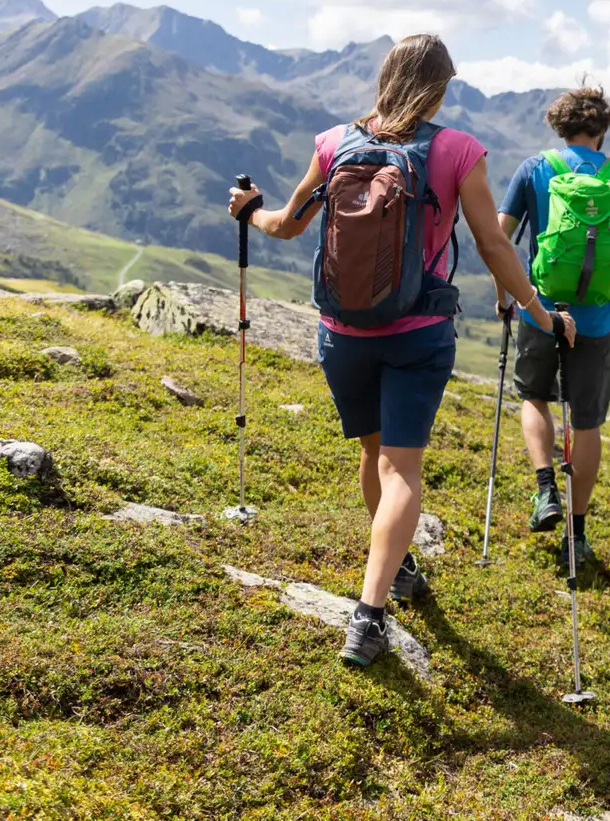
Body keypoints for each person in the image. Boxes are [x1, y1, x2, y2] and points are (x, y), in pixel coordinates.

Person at [229, 34, 573, 669]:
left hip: (342, 332)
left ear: (384, 77)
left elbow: (286, 223)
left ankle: (398, 569)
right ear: (441, 87)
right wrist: (538, 310)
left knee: (373, 454)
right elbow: (496, 247)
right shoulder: (457, 151)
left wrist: (248, 211)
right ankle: (369, 613)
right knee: (401, 470)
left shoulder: (334, 144)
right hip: (417, 334)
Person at [498, 86, 610, 568]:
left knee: (534, 396)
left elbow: (498, 238)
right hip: (597, 319)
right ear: (603, 130)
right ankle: (577, 534)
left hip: (539, 309)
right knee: (585, 423)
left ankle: (545, 488)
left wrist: (505, 293)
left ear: (558, 126)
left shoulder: (534, 169)